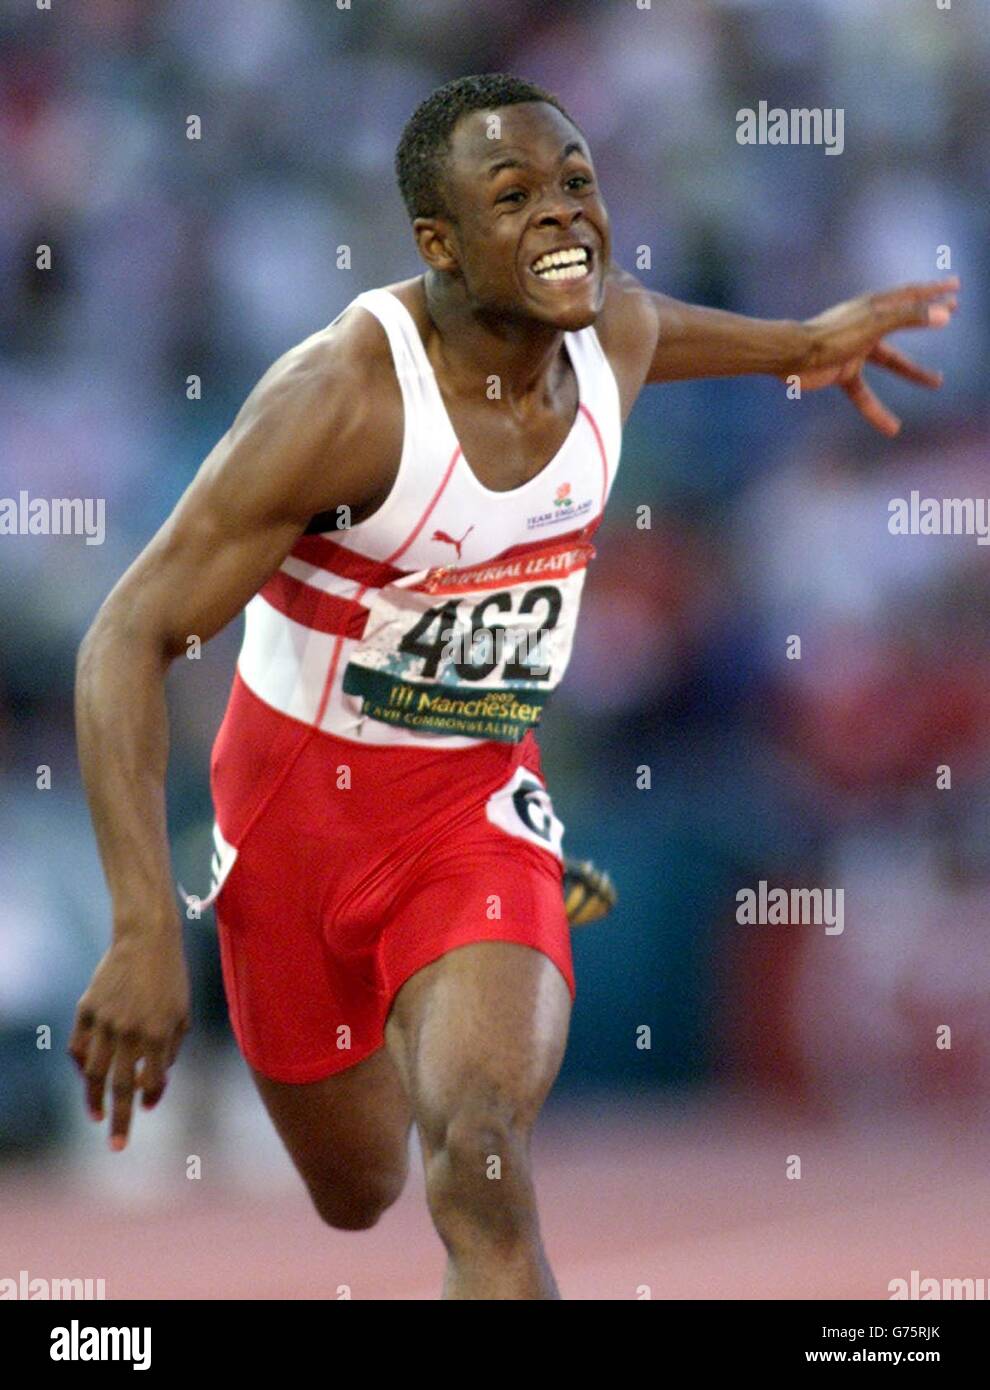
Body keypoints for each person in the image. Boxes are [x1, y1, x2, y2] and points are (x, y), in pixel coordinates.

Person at [69, 73, 958, 1299]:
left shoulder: (613, 341)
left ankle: (468, 954)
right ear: (438, 244)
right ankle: (407, 996)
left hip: (474, 808)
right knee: (358, 1187)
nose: (563, 217)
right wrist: (136, 929)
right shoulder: (344, 399)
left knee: (478, 1157)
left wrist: (805, 346)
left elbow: (671, 327)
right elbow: (125, 634)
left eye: (577, 185)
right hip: (293, 821)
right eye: (515, 196)